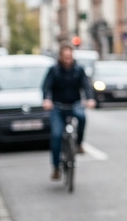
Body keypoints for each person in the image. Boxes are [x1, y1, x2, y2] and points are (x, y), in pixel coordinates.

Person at [40, 43, 95, 181]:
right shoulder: (54, 70)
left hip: (74, 104)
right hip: (58, 106)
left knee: (82, 117)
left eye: (70, 57)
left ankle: (79, 144)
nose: (68, 59)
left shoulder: (78, 69)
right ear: (60, 57)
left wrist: (90, 99)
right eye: (65, 57)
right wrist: (47, 100)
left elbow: (86, 86)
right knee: (57, 135)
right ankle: (56, 167)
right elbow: (46, 87)